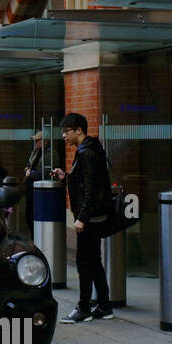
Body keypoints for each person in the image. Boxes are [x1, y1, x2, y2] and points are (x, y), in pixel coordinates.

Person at [50, 113, 115, 323]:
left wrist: (82, 218)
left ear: (79, 130)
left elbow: (91, 189)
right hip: (94, 216)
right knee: (94, 261)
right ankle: (104, 305)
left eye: (67, 131)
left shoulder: (86, 153)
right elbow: (85, 182)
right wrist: (66, 176)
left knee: (84, 261)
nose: (64, 136)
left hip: (90, 218)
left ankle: (84, 307)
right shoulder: (89, 150)